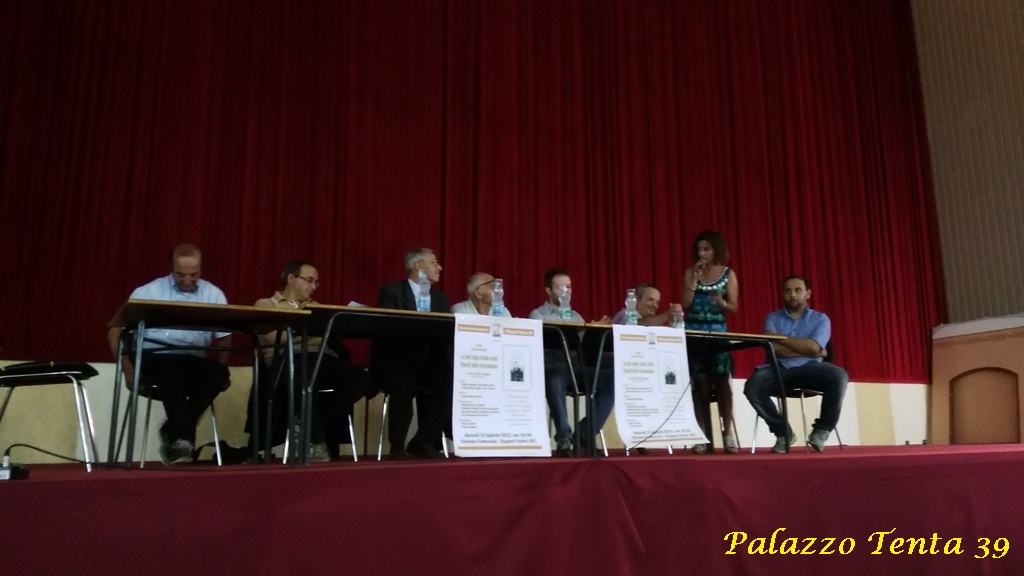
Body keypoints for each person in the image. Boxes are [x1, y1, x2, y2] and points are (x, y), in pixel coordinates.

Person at [107, 243, 231, 466]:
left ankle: (173, 430)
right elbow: (115, 330)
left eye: (194, 274)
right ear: (170, 268)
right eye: (180, 274)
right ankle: (181, 437)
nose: (187, 280)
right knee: (171, 369)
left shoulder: (213, 294)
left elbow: (224, 337)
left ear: (201, 269)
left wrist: (223, 365)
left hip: (192, 360)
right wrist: (127, 369)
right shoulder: (148, 292)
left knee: (219, 373)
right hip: (154, 357)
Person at [250, 260, 371, 462]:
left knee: (362, 380)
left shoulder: (317, 308)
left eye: (316, 282)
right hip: (286, 359)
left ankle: (305, 425)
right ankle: (314, 441)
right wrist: (304, 327)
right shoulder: (266, 304)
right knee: (302, 378)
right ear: (291, 278)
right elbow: (272, 338)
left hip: (320, 358)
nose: (314, 286)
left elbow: (328, 338)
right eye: (309, 280)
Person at [743, 275, 849, 453]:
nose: (792, 294)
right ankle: (783, 433)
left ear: (808, 293)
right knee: (753, 385)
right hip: (779, 369)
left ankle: (821, 430)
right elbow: (774, 350)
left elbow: (813, 347)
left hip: (812, 369)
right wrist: (812, 350)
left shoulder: (821, 319)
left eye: (798, 290)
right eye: (788, 291)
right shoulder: (772, 318)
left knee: (839, 375)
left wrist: (782, 338)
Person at [370, 248, 453, 459]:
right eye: (434, 262)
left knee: (449, 380)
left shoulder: (441, 299)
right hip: (397, 357)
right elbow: (390, 324)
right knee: (403, 384)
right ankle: (397, 445)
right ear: (418, 265)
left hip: (427, 360)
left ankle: (424, 438)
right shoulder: (392, 290)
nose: (439, 267)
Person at [529, 268, 613, 457]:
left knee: (611, 380)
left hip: (574, 369)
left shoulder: (576, 317)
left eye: (568, 287)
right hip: (549, 367)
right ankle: (564, 438)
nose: (566, 292)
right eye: (560, 288)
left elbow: (585, 345)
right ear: (548, 291)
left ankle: (584, 433)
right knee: (555, 378)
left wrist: (595, 330)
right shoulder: (537, 315)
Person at [681, 230, 740, 454]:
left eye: (706, 249)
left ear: (716, 250)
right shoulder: (691, 272)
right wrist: (694, 280)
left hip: (718, 334)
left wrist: (722, 303)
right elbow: (686, 303)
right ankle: (701, 433)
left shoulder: (728, 273)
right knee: (699, 383)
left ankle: (727, 434)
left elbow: (734, 307)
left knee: (722, 382)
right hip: (693, 333)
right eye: (699, 249)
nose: (702, 253)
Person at [610, 284, 684, 326]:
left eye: (657, 302)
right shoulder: (624, 314)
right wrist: (667, 315)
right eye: (650, 300)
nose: (654, 305)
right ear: (637, 299)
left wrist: (672, 322)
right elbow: (638, 323)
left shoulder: (656, 322)